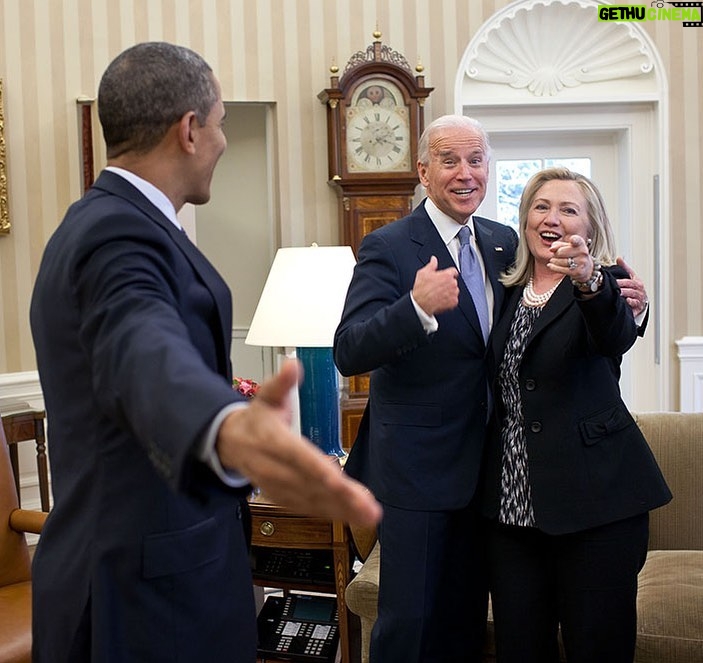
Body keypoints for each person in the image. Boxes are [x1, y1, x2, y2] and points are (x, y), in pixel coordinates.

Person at [29, 42, 380, 663]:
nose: (222, 142)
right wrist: (220, 424)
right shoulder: (118, 234)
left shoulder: (99, 220)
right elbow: (142, 348)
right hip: (142, 602)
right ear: (189, 130)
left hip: (135, 577)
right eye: (219, 125)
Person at [334, 115, 650, 663]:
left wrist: (633, 307)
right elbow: (350, 348)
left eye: (476, 160)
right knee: (410, 626)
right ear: (423, 171)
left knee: (464, 626)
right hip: (419, 474)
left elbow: (583, 321)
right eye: (450, 161)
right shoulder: (387, 245)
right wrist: (413, 309)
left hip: (488, 480)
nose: (465, 174)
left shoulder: (505, 244)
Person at [480, 167, 671, 663]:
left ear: (590, 228)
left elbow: (614, 336)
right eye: (541, 207)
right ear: (524, 221)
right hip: (511, 514)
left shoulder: (608, 285)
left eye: (569, 210)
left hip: (596, 510)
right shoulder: (502, 292)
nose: (552, 218)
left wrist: (589, 280)